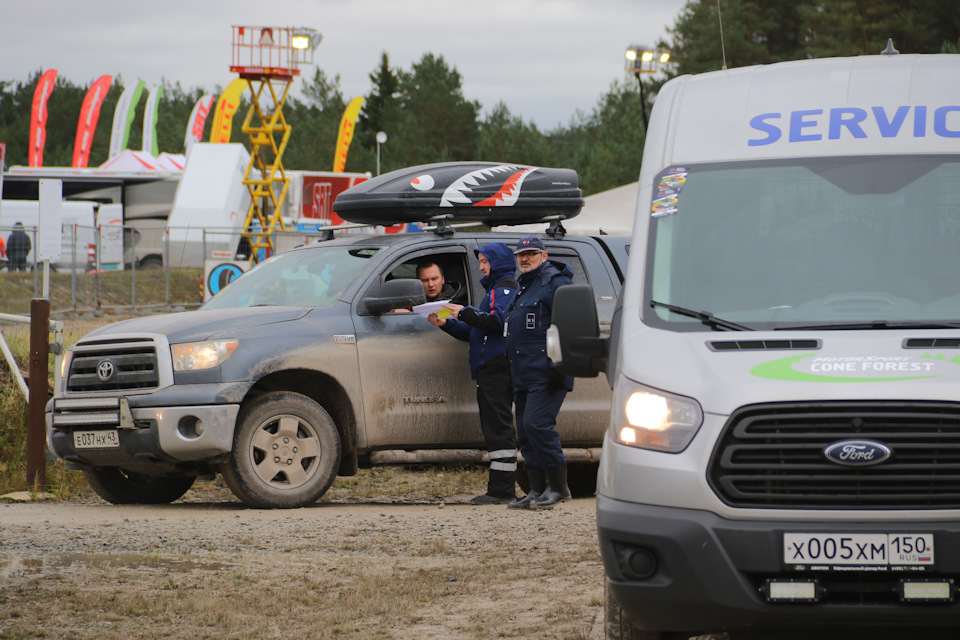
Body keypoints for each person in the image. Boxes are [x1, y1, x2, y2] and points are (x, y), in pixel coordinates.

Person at [428, 243, 519, 504]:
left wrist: (464, 311)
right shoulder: (492, 291)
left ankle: (502, 490)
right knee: (494, 426)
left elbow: (497, 322)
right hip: (488, 367)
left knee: (498, 427)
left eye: (485, 261)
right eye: (480, 262)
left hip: (496, 366)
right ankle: (501, 488)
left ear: (498, 262)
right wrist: (447, 323)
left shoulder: (504, 289)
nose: (480, 267)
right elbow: (476, 333)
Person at [503, 236, 574, 509]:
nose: (525, 258)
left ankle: (559, 488)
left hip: (547, 373)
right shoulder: (523, 287)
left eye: (531, 253)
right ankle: (536, 489)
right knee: (525, 431)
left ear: (544, 256)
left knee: (537, 425)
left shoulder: (557, 284)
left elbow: (568, 327)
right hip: (522, 374)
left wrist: (560, 367)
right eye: (521, 254)